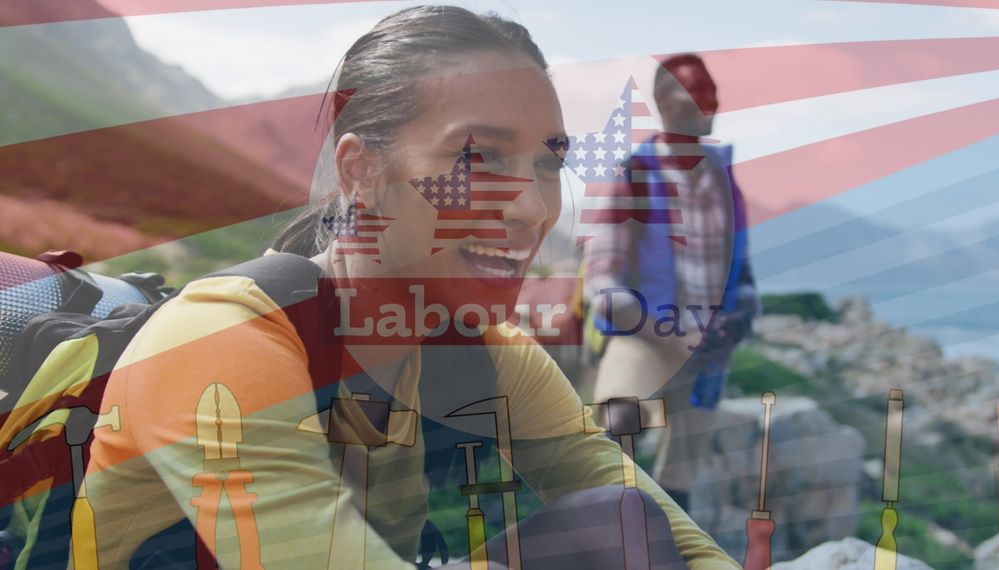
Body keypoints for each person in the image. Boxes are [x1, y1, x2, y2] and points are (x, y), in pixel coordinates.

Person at [82, 7, 741, 569]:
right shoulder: (225, 340)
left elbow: (659, 528)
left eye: (547, 163)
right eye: (477, 156)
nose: (533, 209)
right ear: (361, 171)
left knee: (616, 519)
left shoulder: (487, 352)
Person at [584, 53, 760, 512]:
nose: (712, 100)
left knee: (685, 459)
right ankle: (611, 522)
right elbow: (602, 283)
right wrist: (668, 329)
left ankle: (669, 539)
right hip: (646, 333)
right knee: (617, 417)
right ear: (666, 102)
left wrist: (740, 313)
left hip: (707, 346)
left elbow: (741, 272)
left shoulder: (723, 178)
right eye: (698, 91)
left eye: (712, 90)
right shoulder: (635, 176)